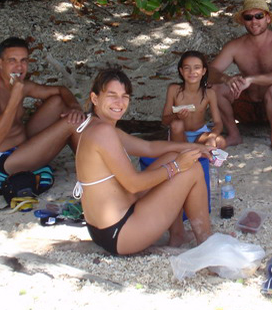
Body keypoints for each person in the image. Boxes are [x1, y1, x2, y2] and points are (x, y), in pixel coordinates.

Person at [75, 68, 213, 255]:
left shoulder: (98, 126)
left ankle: (178, 234)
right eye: (112, 96)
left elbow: (148, 148)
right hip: (120, 232)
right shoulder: (103, 132)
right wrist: (178, 166)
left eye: (125, 96)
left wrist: (195, 148)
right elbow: (134, 184)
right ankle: (207, 244)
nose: (120, 103)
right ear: (95, 99)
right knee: (193, 169)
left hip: (103, 230)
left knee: (172, 156)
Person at [0, 37, 86, 191]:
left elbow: (60, 90)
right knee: (73, 123)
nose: (19, 66)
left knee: (58, 102)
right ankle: (93, 169)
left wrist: (74, 106)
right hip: (3, 161)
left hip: (22, 146)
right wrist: (14, 99)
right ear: (0, 63)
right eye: (12, 60)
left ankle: (88, 160)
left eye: (24, 61)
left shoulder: (20, 85)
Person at [209, 0, 272, 152]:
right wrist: (225, 78)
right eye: (248, 17)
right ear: (243, 21)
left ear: (268, 18)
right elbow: (209, 72)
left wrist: (251, 79)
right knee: (215, 89)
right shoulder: (235, 46)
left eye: (259, 16)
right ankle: (234, 134)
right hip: (247, 109)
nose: (254, 21)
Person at [161, 51, 226, 149]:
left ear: (203, 71)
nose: (192, 72)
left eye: (197, 67)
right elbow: (165, 120)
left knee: (221, 142)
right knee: (176, 124)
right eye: (187, 68)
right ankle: (189, 151)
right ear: (181, 71)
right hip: (179, 134)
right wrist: (176, 116)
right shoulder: (173, 90)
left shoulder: (209, 93)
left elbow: (218, 122)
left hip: (200, 135)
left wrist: (212, 137)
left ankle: (192, 150)